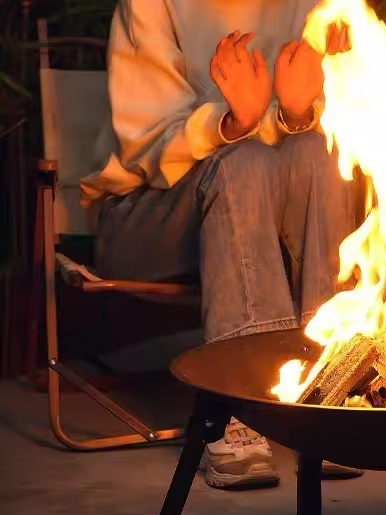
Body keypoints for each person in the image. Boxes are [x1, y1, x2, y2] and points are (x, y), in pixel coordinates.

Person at [80, 0, 361, 488]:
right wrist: (233, 124)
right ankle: (240, 396)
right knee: (243, 162)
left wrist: (296, 115)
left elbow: (345, 116)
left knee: (319, 154)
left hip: (265, 220)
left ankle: (331, 384)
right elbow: (145, 144)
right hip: (149, 220)